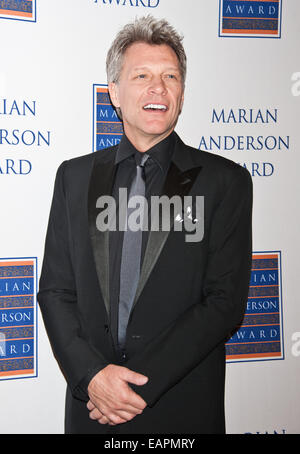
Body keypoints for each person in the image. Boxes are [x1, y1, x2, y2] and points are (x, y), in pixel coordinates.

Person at [38, 15, 253, 434]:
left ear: (182, 93)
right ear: (114, 93)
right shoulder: (74, 178)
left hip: (180, 407)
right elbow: (56, 290)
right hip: (93, 409)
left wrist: (131, 389)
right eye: (142, 75)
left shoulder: (224, 181)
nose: (158, 88)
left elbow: (223, 303)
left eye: (170, 76)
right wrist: (93, 378)